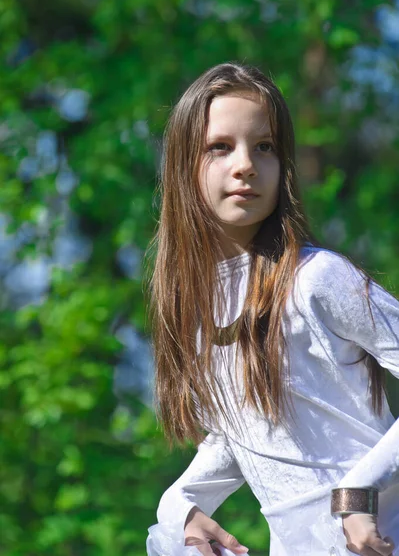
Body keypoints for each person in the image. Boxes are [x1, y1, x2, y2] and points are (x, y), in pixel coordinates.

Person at [145, 63, 399, 556]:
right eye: (220, 147)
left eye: (264, 147)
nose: (245, 164)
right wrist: (180, 503)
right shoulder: (196, 316)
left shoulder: (317, 278)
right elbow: (246, 435)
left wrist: (359, 490)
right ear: (182, 167)